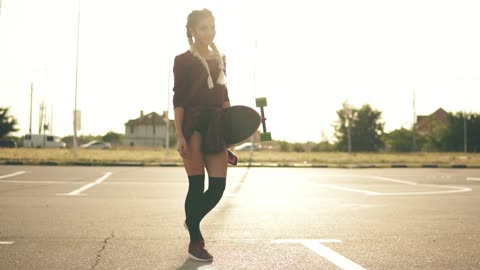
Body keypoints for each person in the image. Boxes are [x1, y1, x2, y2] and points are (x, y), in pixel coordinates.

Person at [172, 8, 230, 262]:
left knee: (218, 187)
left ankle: (191, 219)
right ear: (193, 31)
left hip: (217, 125)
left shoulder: (221, 58)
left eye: (212, 27)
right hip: (193, 124)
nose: (209, 32)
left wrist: (233, 130)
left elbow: (225, 97)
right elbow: (179, 99)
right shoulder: (182, 59)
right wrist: (179, 135)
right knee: (197, 186)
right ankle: (196, 241)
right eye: (204, 28)